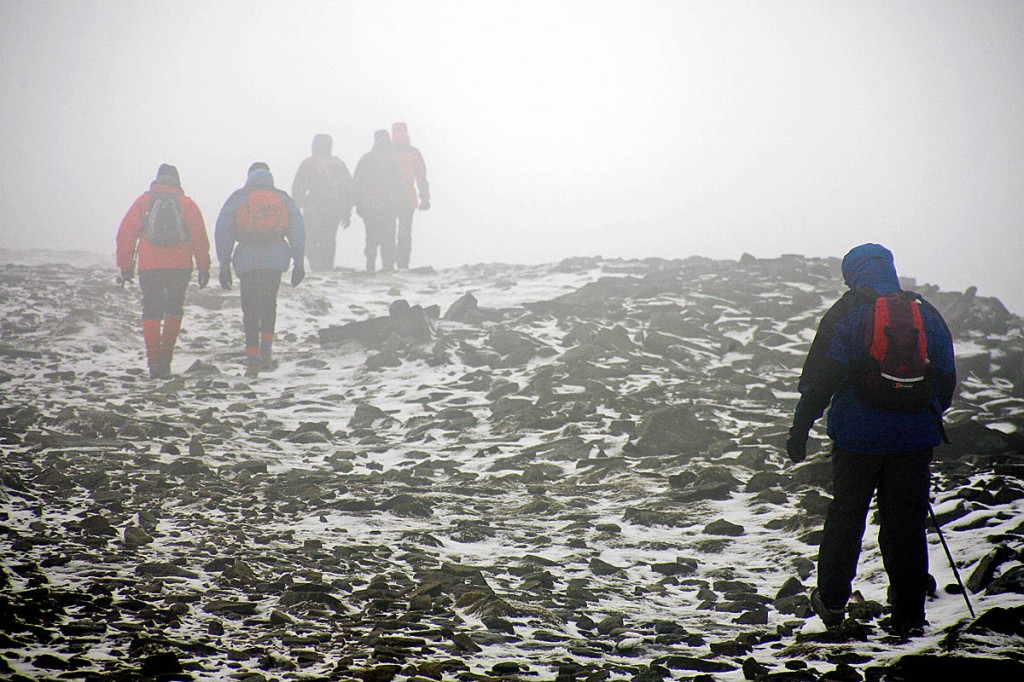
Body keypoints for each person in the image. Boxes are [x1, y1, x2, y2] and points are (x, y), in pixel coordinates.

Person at [786, 243, 956, 638]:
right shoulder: (924, 313)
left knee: (847, 516)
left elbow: (819, 380)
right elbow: (945, 374)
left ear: (853, 273)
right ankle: (909, 613)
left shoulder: (848, 312)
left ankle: (831, 602)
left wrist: (800, 429)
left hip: (857, 440)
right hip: (914, 440)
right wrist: (926, 415)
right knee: (906, 522)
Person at [116, 163, 211, 379]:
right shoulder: (187, 204)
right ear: (177, 181)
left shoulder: (144, 202)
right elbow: (199, 237)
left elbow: (126, 234)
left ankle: (153, 362)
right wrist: (203, 267)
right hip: (180, 265)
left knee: (151, 310)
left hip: (150, 266)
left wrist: (126, 266)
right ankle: (166, 358)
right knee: (174, 309)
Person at [215, 162, 305, 378]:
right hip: (275, 260)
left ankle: (252, 359)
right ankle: (266, 353)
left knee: (250, 309)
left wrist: (224, 264)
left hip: (248, 261)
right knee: (268, 304)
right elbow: (298, 228)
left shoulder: (238, 198)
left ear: (249, 176)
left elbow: (223, 230)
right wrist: (299, 262)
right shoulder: (281, 198)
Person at [291, 133, 354, 271]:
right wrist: (346, 212)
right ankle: (326, 268)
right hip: (333, 208)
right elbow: (348, 190)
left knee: (310, 239)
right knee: (328, 239)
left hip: (314, 207)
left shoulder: (308, 163)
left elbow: (298, 188)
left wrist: (297, 207)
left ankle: (318, 266)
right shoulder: (338, 165)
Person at [352, 130, 407, 272]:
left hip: (371, 206)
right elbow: (400, 184)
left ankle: (371, 262)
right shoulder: (392, 159)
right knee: (388, 237)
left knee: (372, 236)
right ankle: (387, 266)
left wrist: (357, 203)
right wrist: (401, 203)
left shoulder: (366, 158)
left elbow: (357, 182)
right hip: (387, 206)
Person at [391, 122, 430, 269]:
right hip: (408, 197)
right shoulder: (414, 153)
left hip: (389, 197)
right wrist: (425, 198)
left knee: (388, 232)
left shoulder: (387, 151)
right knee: (405, 234)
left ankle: (388, 264)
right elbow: (421, 177)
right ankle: (403, 265)